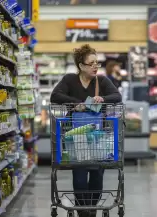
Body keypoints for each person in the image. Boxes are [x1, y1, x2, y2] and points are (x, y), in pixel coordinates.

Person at [50, 44, 122, 217]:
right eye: (91, 63)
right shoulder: (69, 80)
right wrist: (76, 104)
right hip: (75, 137)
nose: (95, 66)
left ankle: (92, 208)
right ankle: (83, 210)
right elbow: (55, 96)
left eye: (97, 62)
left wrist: (102, 98)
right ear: (81, 66)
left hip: (97, 136)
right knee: (79, 174)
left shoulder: (102, 81)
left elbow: (117, 97)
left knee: (97, 173)